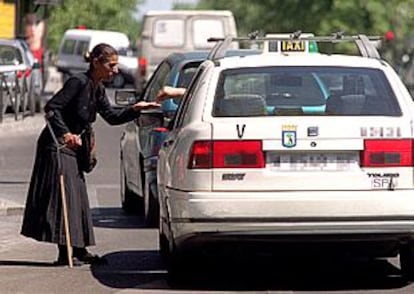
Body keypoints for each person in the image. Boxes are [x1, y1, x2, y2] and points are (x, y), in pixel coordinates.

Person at [20, 43, 160, 266]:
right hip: (56, 146)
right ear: (96, 62)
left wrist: (136, 108)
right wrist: (65, 133)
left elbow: (112, 117)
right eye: (111, 65)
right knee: (64, 198)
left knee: (78, 198)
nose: (115, 70)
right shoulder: (78, 82)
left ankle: (80, 250)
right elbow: (52, 108)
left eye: (116, 66)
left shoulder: (98, 88)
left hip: (76, 149)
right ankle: (64, 253)